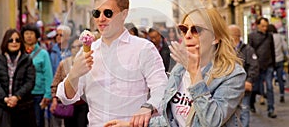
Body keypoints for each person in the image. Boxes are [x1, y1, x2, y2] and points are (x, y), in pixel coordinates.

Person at [105, 8, 246, 127]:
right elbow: (170, 120)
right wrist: (130, 124)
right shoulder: (179, 69)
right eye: (184, 29)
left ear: (215, 37)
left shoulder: (232, 74)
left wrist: (194, 73)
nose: (188, 35)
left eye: (196, 30)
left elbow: (213, 121)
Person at [56, 0, 168, 127]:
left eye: (108, 13)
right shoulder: (87, 52)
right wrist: (73, 75)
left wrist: (148, 107)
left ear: (124, 14)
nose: (101, 19)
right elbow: (66, 98)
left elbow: (162, 88)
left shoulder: (144, 49)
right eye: (96, 13)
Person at [0, 29, 36, 127]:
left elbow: (30, 81)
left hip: (23, 106)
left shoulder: (27, 60)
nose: (14, 42)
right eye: (11, 40)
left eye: (17, 40)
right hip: (3, 106)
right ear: (6, 42)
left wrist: (17, 97)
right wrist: (5, 98)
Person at [50, 36, 89, 127]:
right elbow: (55, 83)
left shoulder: (88, 62)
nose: (77, 49)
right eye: (74, 47)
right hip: (68, 104)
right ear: (70, 49)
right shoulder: (64, 63)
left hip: (83, 104)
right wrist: (54, 99)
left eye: (80, 46)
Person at [21, 24, 53, 127]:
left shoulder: (43, 53)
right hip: (22, 94)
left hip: (38, 94)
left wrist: (48, 94)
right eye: (26, 33)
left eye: (31, 33)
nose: (29, 36)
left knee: (38, 122)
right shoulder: (19, 52)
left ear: (36, 36)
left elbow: (48, 74)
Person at [229, 24, 259, 127]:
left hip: (243, 87)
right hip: (229, 87)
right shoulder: (225, 50)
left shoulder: (247, 49)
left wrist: (249, 80)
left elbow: (254, 66)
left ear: (234, 36)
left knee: (244, 110)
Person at [248, 17, 277, 118]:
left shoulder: (269, 36)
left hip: (268, 66)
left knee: (269, 87)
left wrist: (274, 65)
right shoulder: (252, 36)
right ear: (258, 25)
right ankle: (251, 104)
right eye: (263, 26)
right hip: (257, 66)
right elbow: (250, 52)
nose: (265, 28)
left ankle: (271, 109)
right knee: (255, 88)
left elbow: (272, 50)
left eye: (266, 26)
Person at [50, 25, 72, 126]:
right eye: (57, 35)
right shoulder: (51, 51)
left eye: (61, 35)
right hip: (54, 89)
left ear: (68, 36)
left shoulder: (72, 50)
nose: (58, 37)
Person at [268, 24, 288, 103]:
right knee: (280, 78)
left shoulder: (268, 37)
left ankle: (270, 95)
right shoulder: (280, 37)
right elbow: (285, 47)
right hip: (279, 59)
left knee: (269, 79)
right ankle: (282, 94)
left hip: (270, 61)